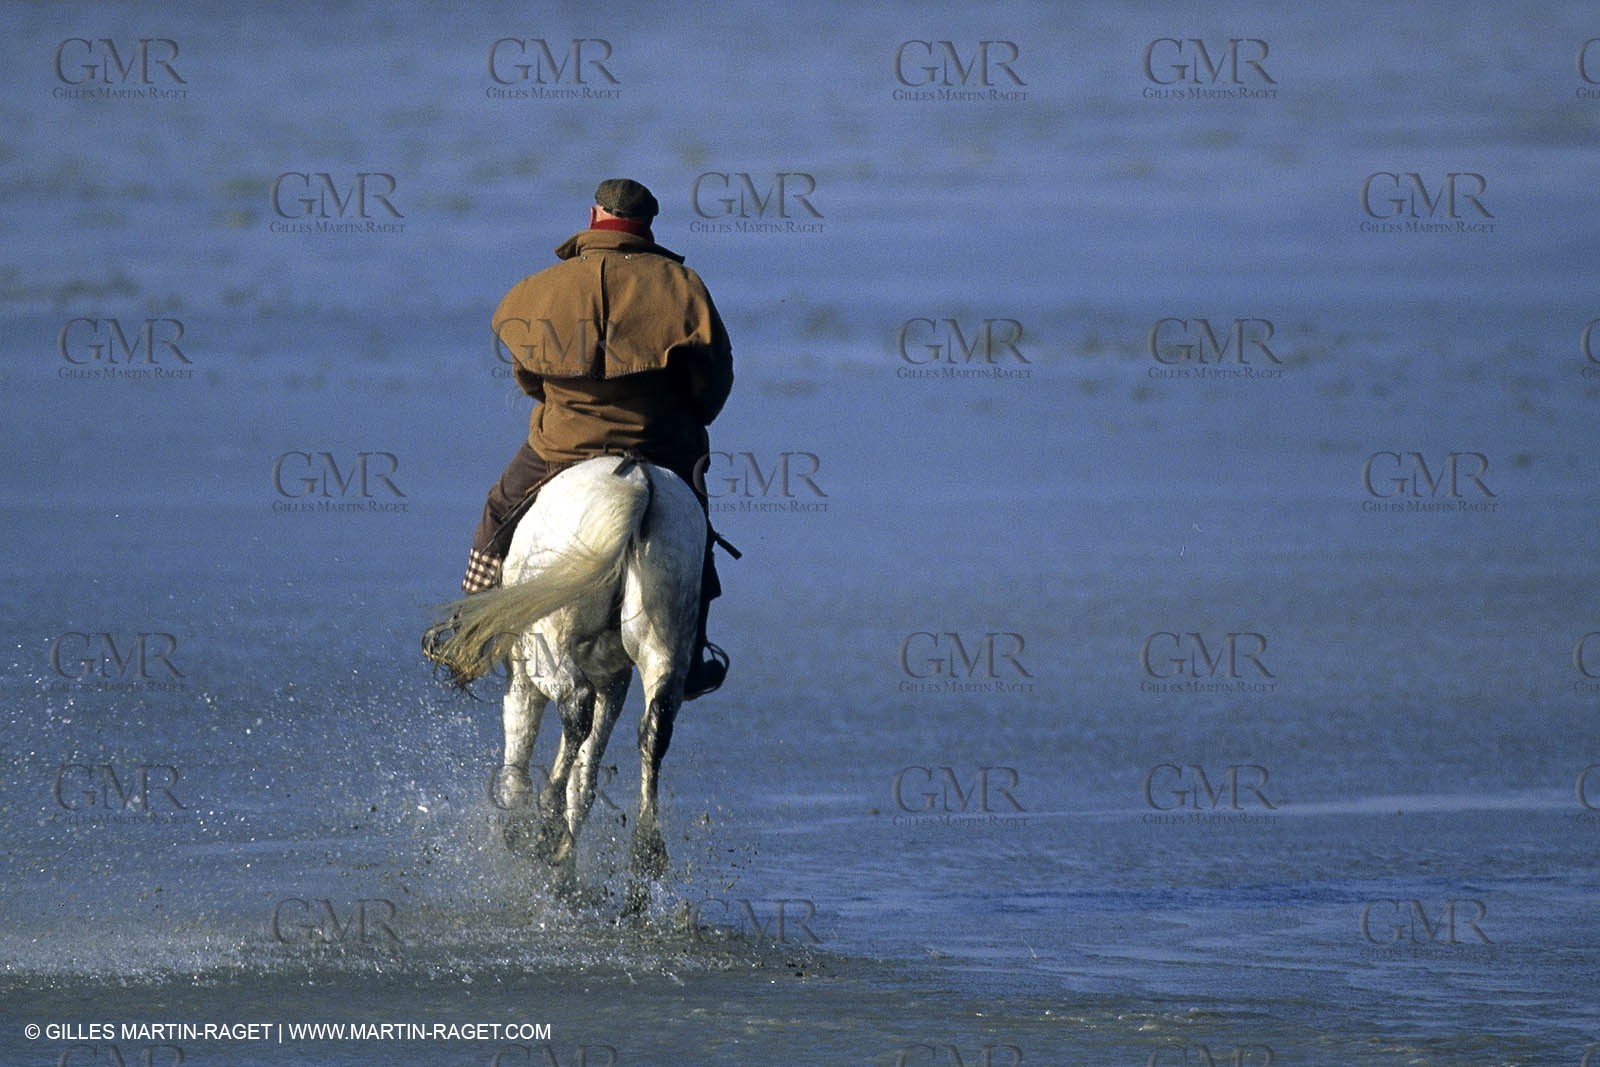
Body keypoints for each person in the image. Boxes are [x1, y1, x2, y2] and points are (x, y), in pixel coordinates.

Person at [452, 178, 733, 698]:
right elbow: (713, 380)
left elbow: (528, 376)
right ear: (648, 224)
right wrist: (688, 419)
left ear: (593, 215)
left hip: (562, 441)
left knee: (499, 509)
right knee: (698, 534)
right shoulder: (682, 285)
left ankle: (470, 629)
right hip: (662, 442)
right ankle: (689, 655)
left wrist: (562, 405)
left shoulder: (540, 287)